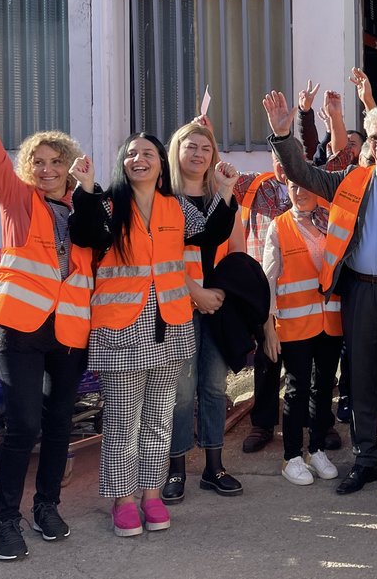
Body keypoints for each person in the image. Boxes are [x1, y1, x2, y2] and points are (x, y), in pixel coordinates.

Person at [264, 90, 377, 496]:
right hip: (360, 294)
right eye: (371, 138)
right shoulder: (352, 180)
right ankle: (365, 459)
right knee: (362, 381)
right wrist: (282, 138)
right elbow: (305, 176)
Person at [0, 39, 91, 561]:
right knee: (25, 422)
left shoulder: (85, 212)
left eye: (58, 161)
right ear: (29, 166)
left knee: (60, 422)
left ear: (71, 166)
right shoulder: (17, 198)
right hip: (21, 329)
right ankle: (4, 519)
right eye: (40, 160)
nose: (49, 168)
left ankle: (47, 506)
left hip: (71, 331)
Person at [68, 133, 237, 537]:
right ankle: (122, 500)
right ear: (122, 164)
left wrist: (226, 190)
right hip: (120, 329)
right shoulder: (108, 204)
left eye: (147, 154)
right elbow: (84, 233)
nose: (138, 159)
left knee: (159, 420)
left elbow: (211, 233)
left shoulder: (175, 206)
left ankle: (151, 493)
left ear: (162, 163)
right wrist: (85, 189)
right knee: (124, 423)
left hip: (171, 327)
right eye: (130, 154)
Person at [164, 120, 245, 503]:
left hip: (219, 305)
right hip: (179, 304)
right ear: (176, 151)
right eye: (190, 146)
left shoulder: (225, 197)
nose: (198, 154)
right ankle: (175, 469)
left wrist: (222, 294)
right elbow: (160, 258)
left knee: (214, 387)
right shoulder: (163, 199)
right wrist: (194, 291)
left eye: (206, 149)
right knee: (180, 391)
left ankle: (214, 467)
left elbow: (238, 255)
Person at [261, 178, 343, 486]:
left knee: (323, 387)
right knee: (296, 390)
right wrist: (267, 326)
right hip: (295, 323)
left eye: (305, 185)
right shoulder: (279, 227)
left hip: (330, 321)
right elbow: (268, 280)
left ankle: (317, 449)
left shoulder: (329, 221)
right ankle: (291, 456)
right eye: (293, 187)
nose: (300, 192)